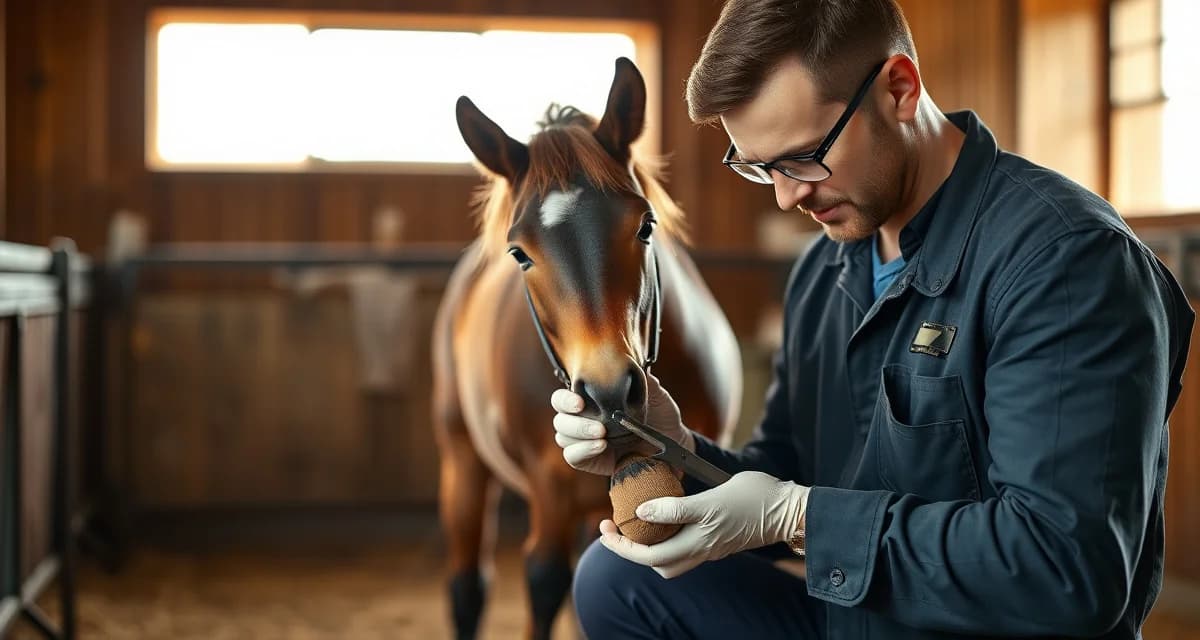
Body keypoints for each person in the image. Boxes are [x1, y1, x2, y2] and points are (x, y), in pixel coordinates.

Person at [549, 0, 1196, 638]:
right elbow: (781, 472)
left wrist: (799, 517)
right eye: (758, 167)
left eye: (804, 156)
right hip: (856, 621)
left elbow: (1067, 570)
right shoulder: (823, 273)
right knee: (614, 580)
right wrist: (675, 448)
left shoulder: (1066, 263)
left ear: (900, 90)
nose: (787, 196)